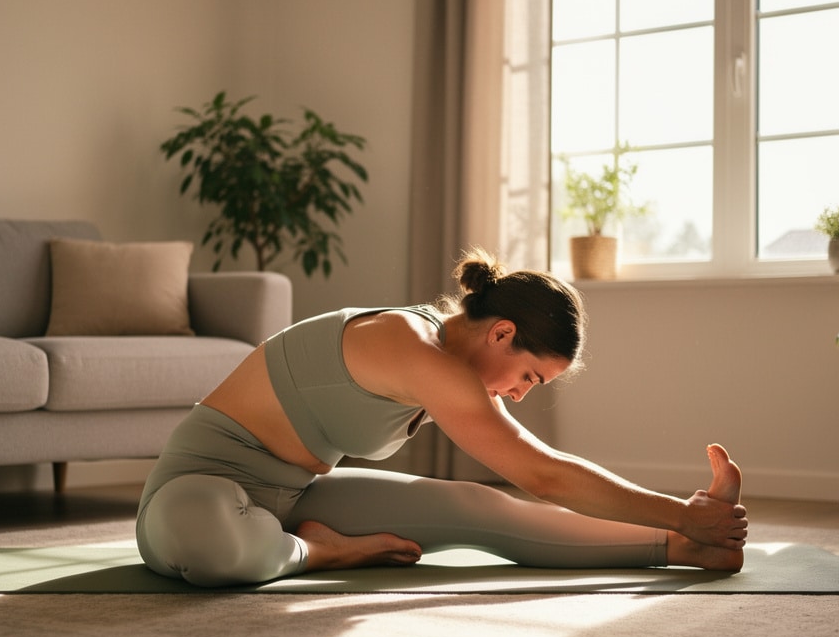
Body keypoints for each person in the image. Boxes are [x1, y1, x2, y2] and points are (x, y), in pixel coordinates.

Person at [136, 249, 748, 587]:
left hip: (291, 498)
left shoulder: (445, 362)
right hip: (196, 492)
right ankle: (325, 555)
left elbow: (532, 485)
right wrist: (685, 505)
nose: (519, 394)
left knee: (480, 508)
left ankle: (684, 550)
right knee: (208, 544)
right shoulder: (412, 347)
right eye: (529, 377)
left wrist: (694, 531)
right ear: (502, 332)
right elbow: (546, 473)